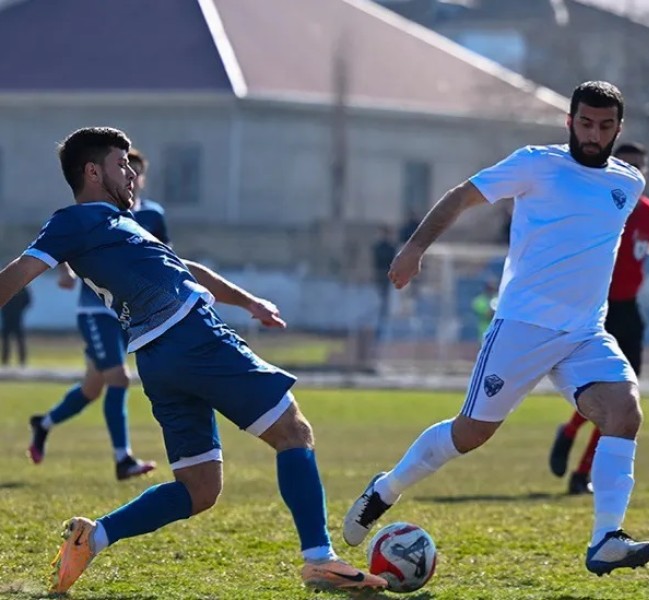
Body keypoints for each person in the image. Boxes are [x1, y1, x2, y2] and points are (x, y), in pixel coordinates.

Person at [0, 127, 386, 595]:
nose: (131, 175)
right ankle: (320, 560)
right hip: (193, 336)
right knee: (293, 432)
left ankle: (93, 536)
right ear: (92, 171)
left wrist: (250, 303)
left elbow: (185, 269)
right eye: (122, 165)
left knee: (200, 489)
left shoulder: (122, 226)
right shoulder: (74, 221)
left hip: (158, 359)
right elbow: (18, 273)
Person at [343, 81, 649, 576]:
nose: (593, 135)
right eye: (584, 123)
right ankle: (386, 489)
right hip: (523, 327)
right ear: (569, 121)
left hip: (584, 334)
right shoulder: (536, 163)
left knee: (625, 412)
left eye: (604, 126)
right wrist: (414, 247)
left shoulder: (629, 184)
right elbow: (461, 197)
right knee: (470, 435)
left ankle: (606, 538)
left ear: (619, 128)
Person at [549, 142, 649, 495]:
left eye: (639, 166)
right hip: (591, 308)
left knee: (624, 397)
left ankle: (582, 471)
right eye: (625, 164)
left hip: (626, 312)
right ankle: (570, 431)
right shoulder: (592, 207)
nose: (633, 171)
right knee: (599, 390)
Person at [27, 148, 164, 481]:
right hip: (95, 311)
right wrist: (63, 270)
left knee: (92, 387)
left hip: (129, 313)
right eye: (120, 168)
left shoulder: (153, 216)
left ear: (141, 176)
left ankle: (43, 424)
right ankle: (123, 460)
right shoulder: (95, 212)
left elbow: (164, 258)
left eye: (133, 170)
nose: (128, 175)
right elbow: (61, 237)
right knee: (119, 378)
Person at [372, 225, 396, 335]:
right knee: (380, 303)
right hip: (380, 279)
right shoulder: (378, 247)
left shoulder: (391, 247)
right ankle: (379, 327)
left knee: (387, 304)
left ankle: (384, 328)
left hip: (389, 279)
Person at [1, 285, 31, 366]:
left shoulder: (22, 287)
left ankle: (22, 361)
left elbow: (27, 301)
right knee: (6, 340)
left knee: (20, 339)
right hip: (7, 316)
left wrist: (19, 310)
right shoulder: (4, 286)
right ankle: (5, 361)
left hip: (17, 317)